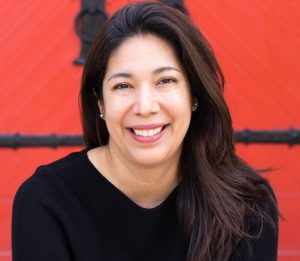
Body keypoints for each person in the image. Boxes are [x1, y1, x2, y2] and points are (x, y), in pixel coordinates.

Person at [12, 2, 278, 261]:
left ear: (194, 94)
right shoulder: (45, 204)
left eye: (165, 81)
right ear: (100, 102)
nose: (145, 106)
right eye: (123, 86)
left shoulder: (248, 206)